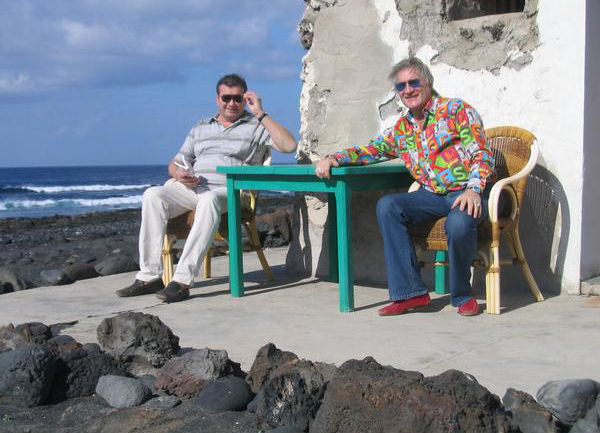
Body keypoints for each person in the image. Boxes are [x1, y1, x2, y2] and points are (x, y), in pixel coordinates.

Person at [315, 57, 495, 317]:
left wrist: (473, 189)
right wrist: (334, 158)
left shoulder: (456, 110)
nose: (408, 90)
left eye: (414, 82)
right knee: (389, 206)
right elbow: (371, 150)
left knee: (458, 223)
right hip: (432, 195)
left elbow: (481, 152)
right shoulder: (402, 129)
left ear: (428, 83)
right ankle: (411, 294)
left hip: (468, 191)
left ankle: (463, 295)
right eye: (401, 86)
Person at [116, 73, 297, 303]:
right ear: (217, 99)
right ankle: (150, 276)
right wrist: (179, 174)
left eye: (238, 98)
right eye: (226, 98)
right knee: (152, 195)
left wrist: (260, 113)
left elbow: (290, 145)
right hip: (194, 187)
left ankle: (182, 281)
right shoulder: (201, 127)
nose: (232, 103)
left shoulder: (256, 126)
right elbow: (175, 162)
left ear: (245, 99)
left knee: (209, 199)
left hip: (231, 191)